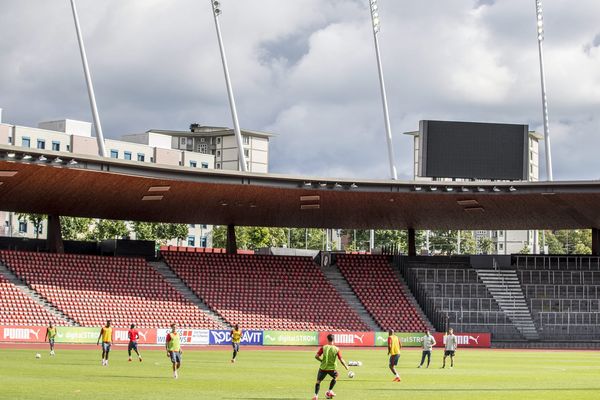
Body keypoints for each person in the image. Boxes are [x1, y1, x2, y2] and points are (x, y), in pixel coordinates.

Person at [312, 334, 350, 400]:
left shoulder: (324, 347)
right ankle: (329, 391)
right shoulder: (336, 349)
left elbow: (316, 356)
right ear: (333, 340)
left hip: (323, 368)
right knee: (336, 377)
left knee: (318, 382)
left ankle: (316, 396)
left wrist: (321, 361)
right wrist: (346, 366)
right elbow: (341, 359)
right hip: (332, 369)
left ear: (327, 339)